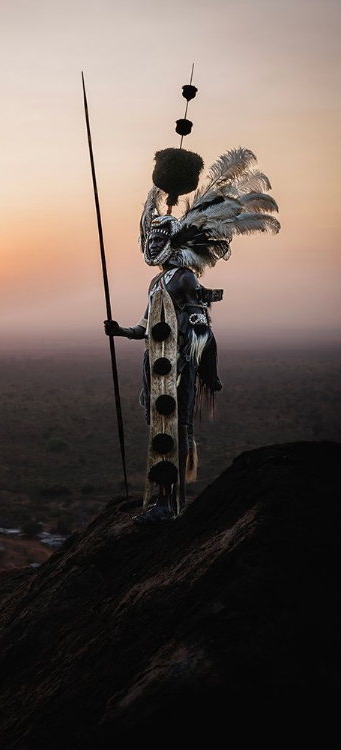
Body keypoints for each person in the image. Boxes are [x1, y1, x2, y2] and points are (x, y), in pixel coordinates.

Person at [105, 146, 280, 524]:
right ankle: (159, 500)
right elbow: (148, 327)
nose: (152, 243)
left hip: (179, 367)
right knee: (159, 428)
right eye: (150, 237)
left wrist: (208, 370)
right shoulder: (157, 282)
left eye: (160, 237)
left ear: (176, 240)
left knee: (174, 428)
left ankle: (169, 503)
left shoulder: (184, 278)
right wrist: (120, 331)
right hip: (156, 369)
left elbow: (201, 325)